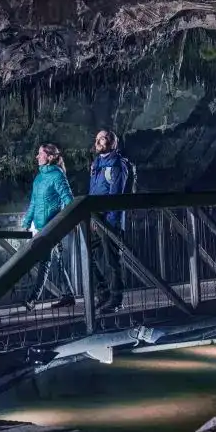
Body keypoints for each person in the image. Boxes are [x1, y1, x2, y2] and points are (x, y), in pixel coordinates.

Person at [21, 144, 76, 311]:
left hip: (52, 228)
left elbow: (68, 199)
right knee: (55, 262)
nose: (37, 157)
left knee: (44, 261)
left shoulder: (57, 175)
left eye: (40, 154)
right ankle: (68, 295)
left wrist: (71, 221)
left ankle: (32, 299)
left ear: (50, 157)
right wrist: (25, 223)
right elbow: (33, 203)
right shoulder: (38, 179)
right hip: (39, 228)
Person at [88, 129, 128, 313]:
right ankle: (103, 292)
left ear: (112, 142)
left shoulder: (117, 165)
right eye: (97, 139)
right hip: (97, 218)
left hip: (110, 220)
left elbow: (116, 196)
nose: (98, 142)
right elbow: (92, 192)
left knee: (112, 260)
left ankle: (116, 299)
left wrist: (111, 224)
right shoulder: (96, 164)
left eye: (102, 139)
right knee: (87, 253)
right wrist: (92, 216)